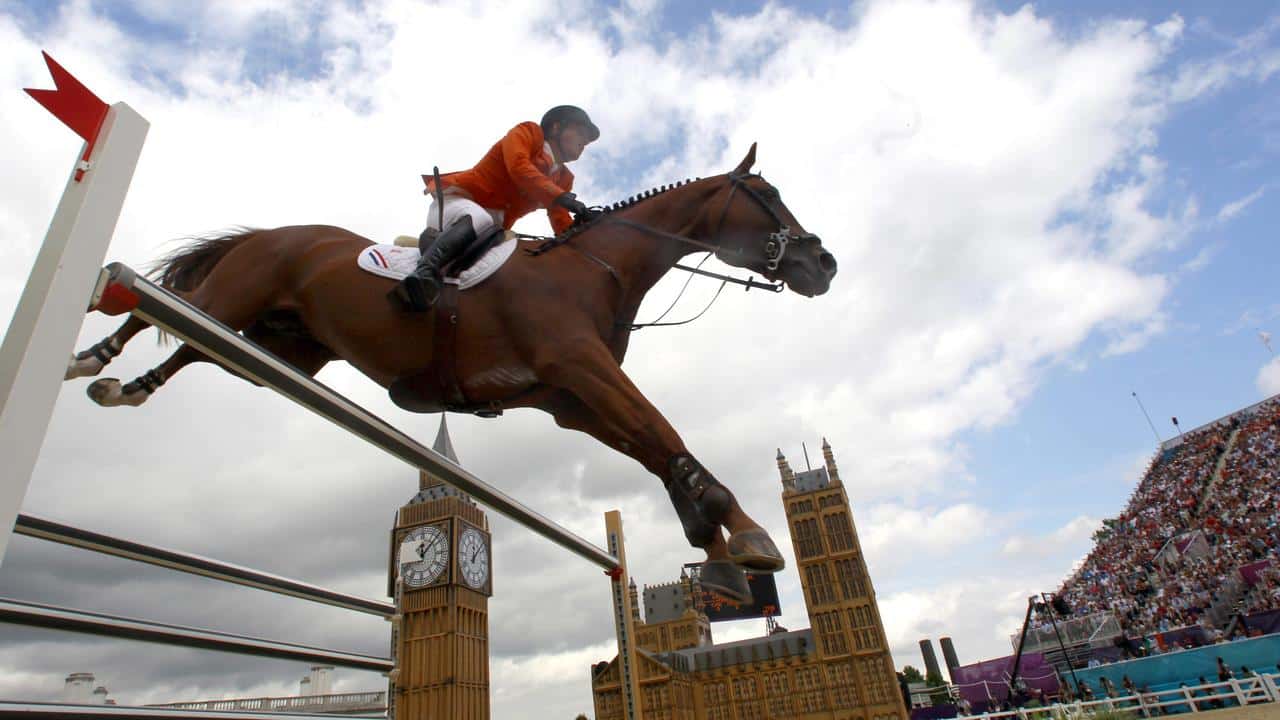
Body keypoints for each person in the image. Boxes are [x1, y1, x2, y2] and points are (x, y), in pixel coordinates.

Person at [391, 105, 599, 311]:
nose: (584, 144)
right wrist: (561, 197)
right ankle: (423, 274)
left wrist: (580, 231)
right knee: (481, 219)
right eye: (581, 133)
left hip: (491, 232)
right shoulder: (528, 132)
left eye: (587, 142)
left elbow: (559, 218)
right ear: (556, 127)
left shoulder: (564, 178)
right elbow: (519, 168)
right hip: (456, 204)